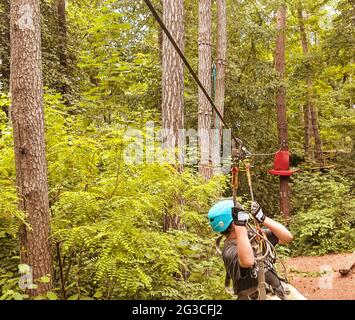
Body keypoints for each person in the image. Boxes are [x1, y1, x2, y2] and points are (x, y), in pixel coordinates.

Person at [208, 199, 306, 300]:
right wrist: (240, 228)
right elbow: (248, 261)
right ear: (234, 223)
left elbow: (287, 237)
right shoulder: (229, 250)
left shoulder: (252, 236)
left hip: (279, 290)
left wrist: (263, 218)